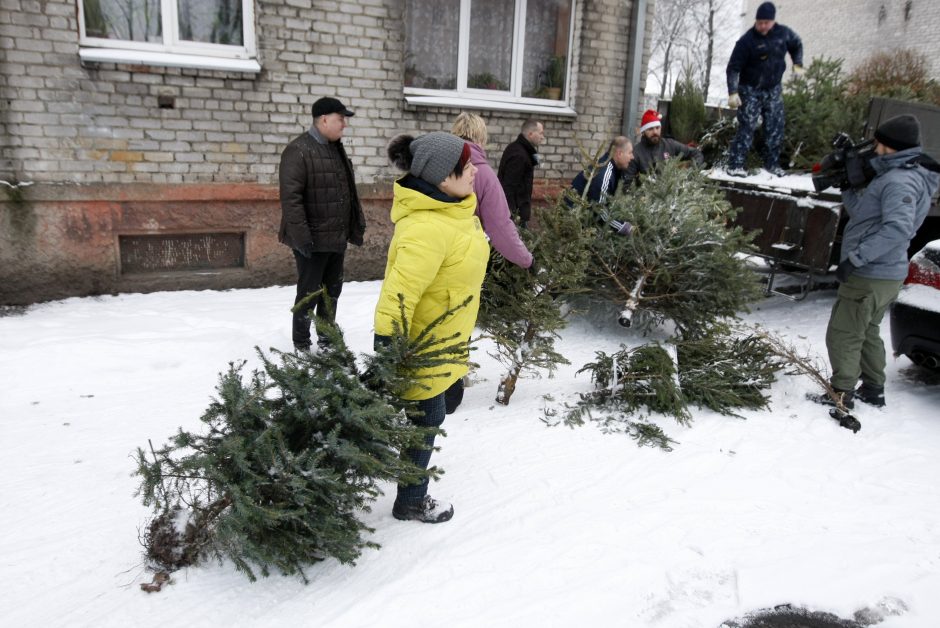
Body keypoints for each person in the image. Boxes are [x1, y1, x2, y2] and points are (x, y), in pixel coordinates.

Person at [375, 131, 490, 523]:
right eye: (466, 165)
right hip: (422, 345)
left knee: (436, 412)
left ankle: (411, 484)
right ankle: (410, 500)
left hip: (447, 340)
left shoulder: (454, 211)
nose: (475, 171)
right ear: (443, 178)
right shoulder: (427, 227)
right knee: (426, 421)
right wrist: (387, 346)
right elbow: (399, 294)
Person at [812, 114, 940, 410]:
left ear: (893, 147)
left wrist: (857, 258)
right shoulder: (898, 174)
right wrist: (846, 185)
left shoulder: (900, 181)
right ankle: (873, 389)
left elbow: (898, 228)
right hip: (884, 273)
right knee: (867, 330)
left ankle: (841, 393)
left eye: (880, 143)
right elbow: (864, 213)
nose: (875, 148)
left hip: (871, 273)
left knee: (844, 331)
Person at [448, 112, 534, 414]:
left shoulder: (436, 166)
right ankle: (451, 390)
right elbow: (501, 228)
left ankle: (426, 377)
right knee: (459, 319)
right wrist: (527, 260)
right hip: (464, 262)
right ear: (481, 138)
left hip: (433, 254)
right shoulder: (482, 173)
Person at [278, 96, 366, 352]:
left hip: (335, 238)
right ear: (324, 119)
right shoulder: (298, 151)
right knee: (309, 294)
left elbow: (346, 191)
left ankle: (327, 340)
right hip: (312, 240)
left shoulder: (334, 148)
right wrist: (302, 238)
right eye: (341, 120)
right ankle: (301, 344)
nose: (344, 125)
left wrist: (352, 226)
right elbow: (291, 199)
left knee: (331, 294)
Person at [725, 1, 802, 178]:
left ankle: (772, 163)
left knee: (775, 126)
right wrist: (733, 92)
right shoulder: (747, 41)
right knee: (748, 125)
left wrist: (798, 63)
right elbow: (733, 67)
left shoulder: (783, 34)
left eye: (766, 22)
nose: (762, 26)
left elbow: (797, 45)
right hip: (750, 88)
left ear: (773, 22)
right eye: (759, 22)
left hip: (773, 88)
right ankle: (736, 164)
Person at [569, 136, 636, 235]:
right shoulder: (605, 173)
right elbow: (599, 210)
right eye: (630, 153)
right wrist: (623, 227)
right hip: (573, 221)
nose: (632, 157)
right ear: (619, 154)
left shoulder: (615, 169)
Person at [624, 109, 704, 187]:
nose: (655, 132)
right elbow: (627, 184)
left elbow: (696, 153)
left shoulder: (670, 144)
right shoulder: (636, 153)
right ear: (643, 132)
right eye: (650, 129)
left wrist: (691, 172)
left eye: (657, 128)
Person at [497, 119, 545, 228]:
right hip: (516, 215)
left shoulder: (525, 151)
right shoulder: (519, 155)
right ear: (531, 134)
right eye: (541, 133)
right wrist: (513, 216)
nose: (543, 137)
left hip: (519, 211)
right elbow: (508, 186)